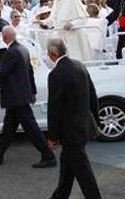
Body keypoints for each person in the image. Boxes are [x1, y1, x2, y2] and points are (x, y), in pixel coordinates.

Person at [0, 26, 56, 168]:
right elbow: (30, 73)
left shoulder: (11, 53)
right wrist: (32, 92)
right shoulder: (23, 49)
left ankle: (48, 156)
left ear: (5, 37)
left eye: (2, 36)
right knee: (8, 129)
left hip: (16, 98)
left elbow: (0, 74)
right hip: (19, 98)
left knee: (32, 129)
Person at [45, 38, 102, 199]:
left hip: (70, 133)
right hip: (83, 127)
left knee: (84, 174)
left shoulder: (56, 74)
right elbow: (93, 96)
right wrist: (95, 121)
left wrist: (52, 136)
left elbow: (54, 108)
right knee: (67, 170)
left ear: (52, 53)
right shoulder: (80, 66)